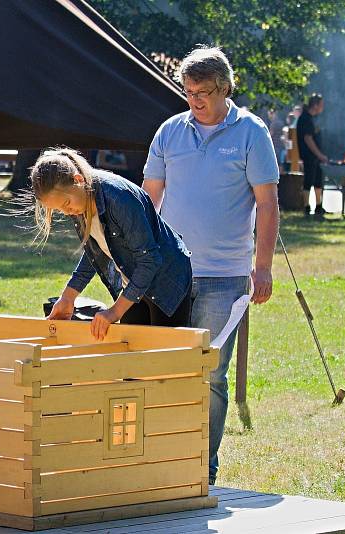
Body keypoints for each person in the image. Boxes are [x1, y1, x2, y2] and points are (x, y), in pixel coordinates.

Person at [141, 46, 279, 485]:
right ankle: (163, 464)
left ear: (224, 89)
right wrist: (139, 260)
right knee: (164, 367)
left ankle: (203, 470)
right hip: (170, 275)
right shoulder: (169, 131)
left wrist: (263, 267)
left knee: (212, 374)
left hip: (225, 276)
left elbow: (268, 204)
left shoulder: (251, 132)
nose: (193, 99)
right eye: (187, 91)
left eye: (201, 92)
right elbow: (149, 199)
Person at [30, 148, 193, 339]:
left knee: (167, 358)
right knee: (131, 352)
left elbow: (150, 260)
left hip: (167, 280)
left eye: (66, 204)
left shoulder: (118, 198)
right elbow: (94, 251)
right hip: (136, 281)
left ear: (78, 180)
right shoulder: (79, 202)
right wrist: (68, 298)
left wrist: (114, 312)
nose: (66, 212)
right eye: (59, 210)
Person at [297, 93, 329, 218]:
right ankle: (306, 207)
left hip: (315, 157)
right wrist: (320, 155)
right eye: (321, 104)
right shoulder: (305, 118)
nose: (322, 107)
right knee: (308, 181)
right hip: (309, 156)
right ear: (315, 105)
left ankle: (318, 206)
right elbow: (308, 139)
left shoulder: (313, 118)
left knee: (318, 181)